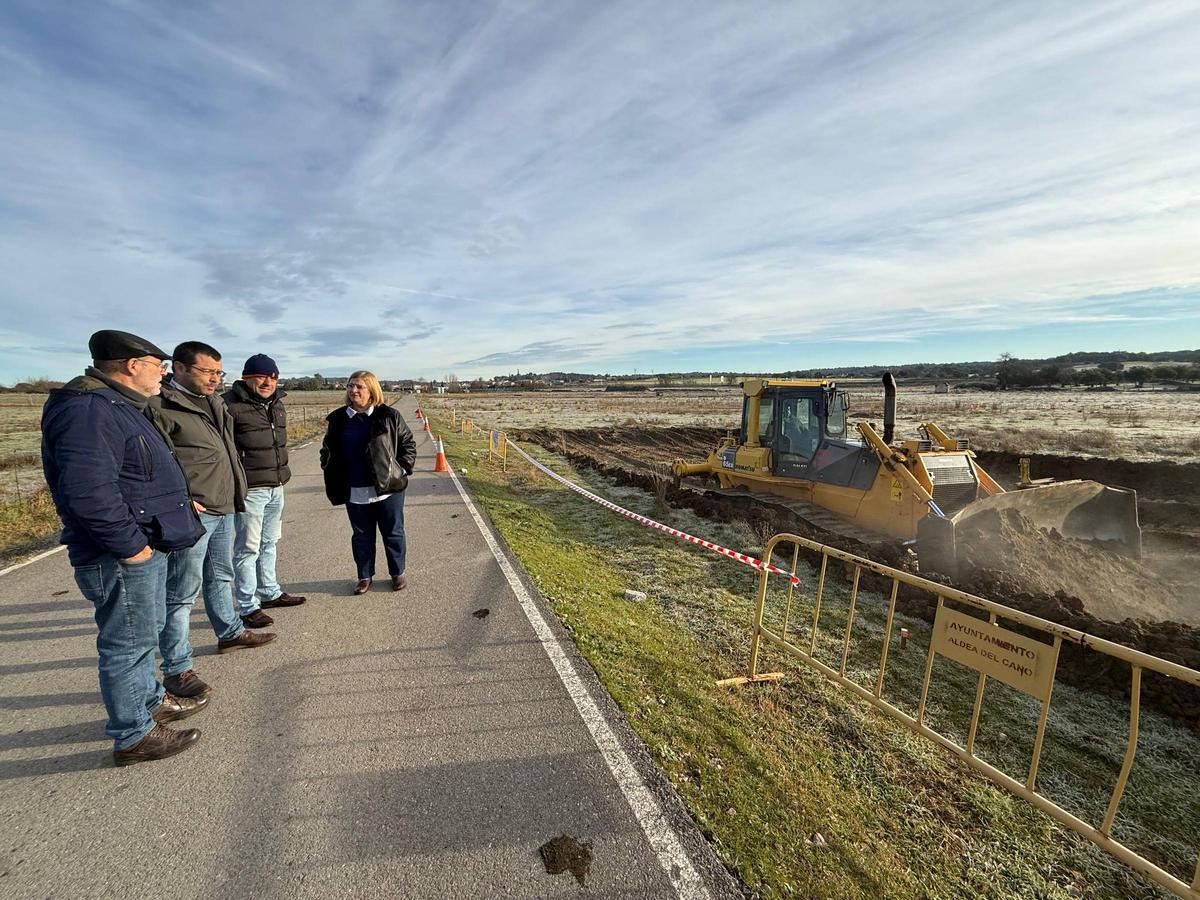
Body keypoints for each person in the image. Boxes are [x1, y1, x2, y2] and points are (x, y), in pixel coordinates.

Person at [41, 330, 208, 765]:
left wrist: (177, 500)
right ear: (133, 365)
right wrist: (132, 548)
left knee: (143, 635)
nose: (163, 373)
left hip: (138, 542)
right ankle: (134, 735)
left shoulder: (118, 405)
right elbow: (88, 491)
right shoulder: (88, 410)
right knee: (128, 643)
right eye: (158, 365)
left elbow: (137, 475)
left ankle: (149, 702)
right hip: (118, 553)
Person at [151, 341, 276, 697]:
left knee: (221, 575)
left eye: (218, 373)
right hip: (192, 513)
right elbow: (153, 462)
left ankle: (230, 633)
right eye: (207, 371)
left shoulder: (214, 402)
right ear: (178, 368)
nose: (214, 379)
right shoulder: (160, 406)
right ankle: (177, 668)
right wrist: (179, 500)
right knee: (181, 592)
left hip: (223, 504)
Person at [223, 354, 306, 628]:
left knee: (269, 542)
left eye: (273, 377)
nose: (268, 382)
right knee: (247, 548)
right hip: (250, 489)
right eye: (261, 376)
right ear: (246, 377)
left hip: (276, 486)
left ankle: (270, 592)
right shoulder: (229, 405)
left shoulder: (277, 404)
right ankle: (248, 606)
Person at [319, 371, 416, 594]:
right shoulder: (338, 419)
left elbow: (408, 444)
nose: (353, 390)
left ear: (371, 390)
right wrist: (328, 467)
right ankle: (364, 576)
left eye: (359, 386)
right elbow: (326, 450)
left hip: (388, 489)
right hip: (354, 489)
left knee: (393, 532)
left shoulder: (389, 415)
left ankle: (397, 572)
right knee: (361, 536)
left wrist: (400, 470)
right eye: (350, 386)